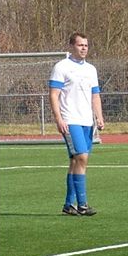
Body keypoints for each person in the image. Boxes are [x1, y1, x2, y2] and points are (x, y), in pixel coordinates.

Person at [48, 32, 105, 216]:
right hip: (70, 119)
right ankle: (82, 204)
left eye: (86, 45)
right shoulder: (61, 67)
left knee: (76, 161)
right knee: (82, 157)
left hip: (86, 121)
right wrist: (59, 119)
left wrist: (99, 116)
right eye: (80, 45)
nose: (84, 48)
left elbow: (95, 95)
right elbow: (54, 95)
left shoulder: (91, 70)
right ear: (72, 46)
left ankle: (68, 205)